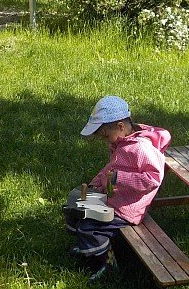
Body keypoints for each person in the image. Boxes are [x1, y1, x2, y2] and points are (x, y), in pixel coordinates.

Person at [66, 95, 172, 282]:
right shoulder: (122, 143)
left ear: (120, 126)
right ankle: (88, 248)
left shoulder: (141, 148)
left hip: (127, 209)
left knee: (89, 227)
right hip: (114, 200)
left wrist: (119, 178)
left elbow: (153, 179)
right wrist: (96, 183)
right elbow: (110, 169)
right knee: (73, 210)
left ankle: (106, 264)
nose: (106, 141)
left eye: (106, 135)